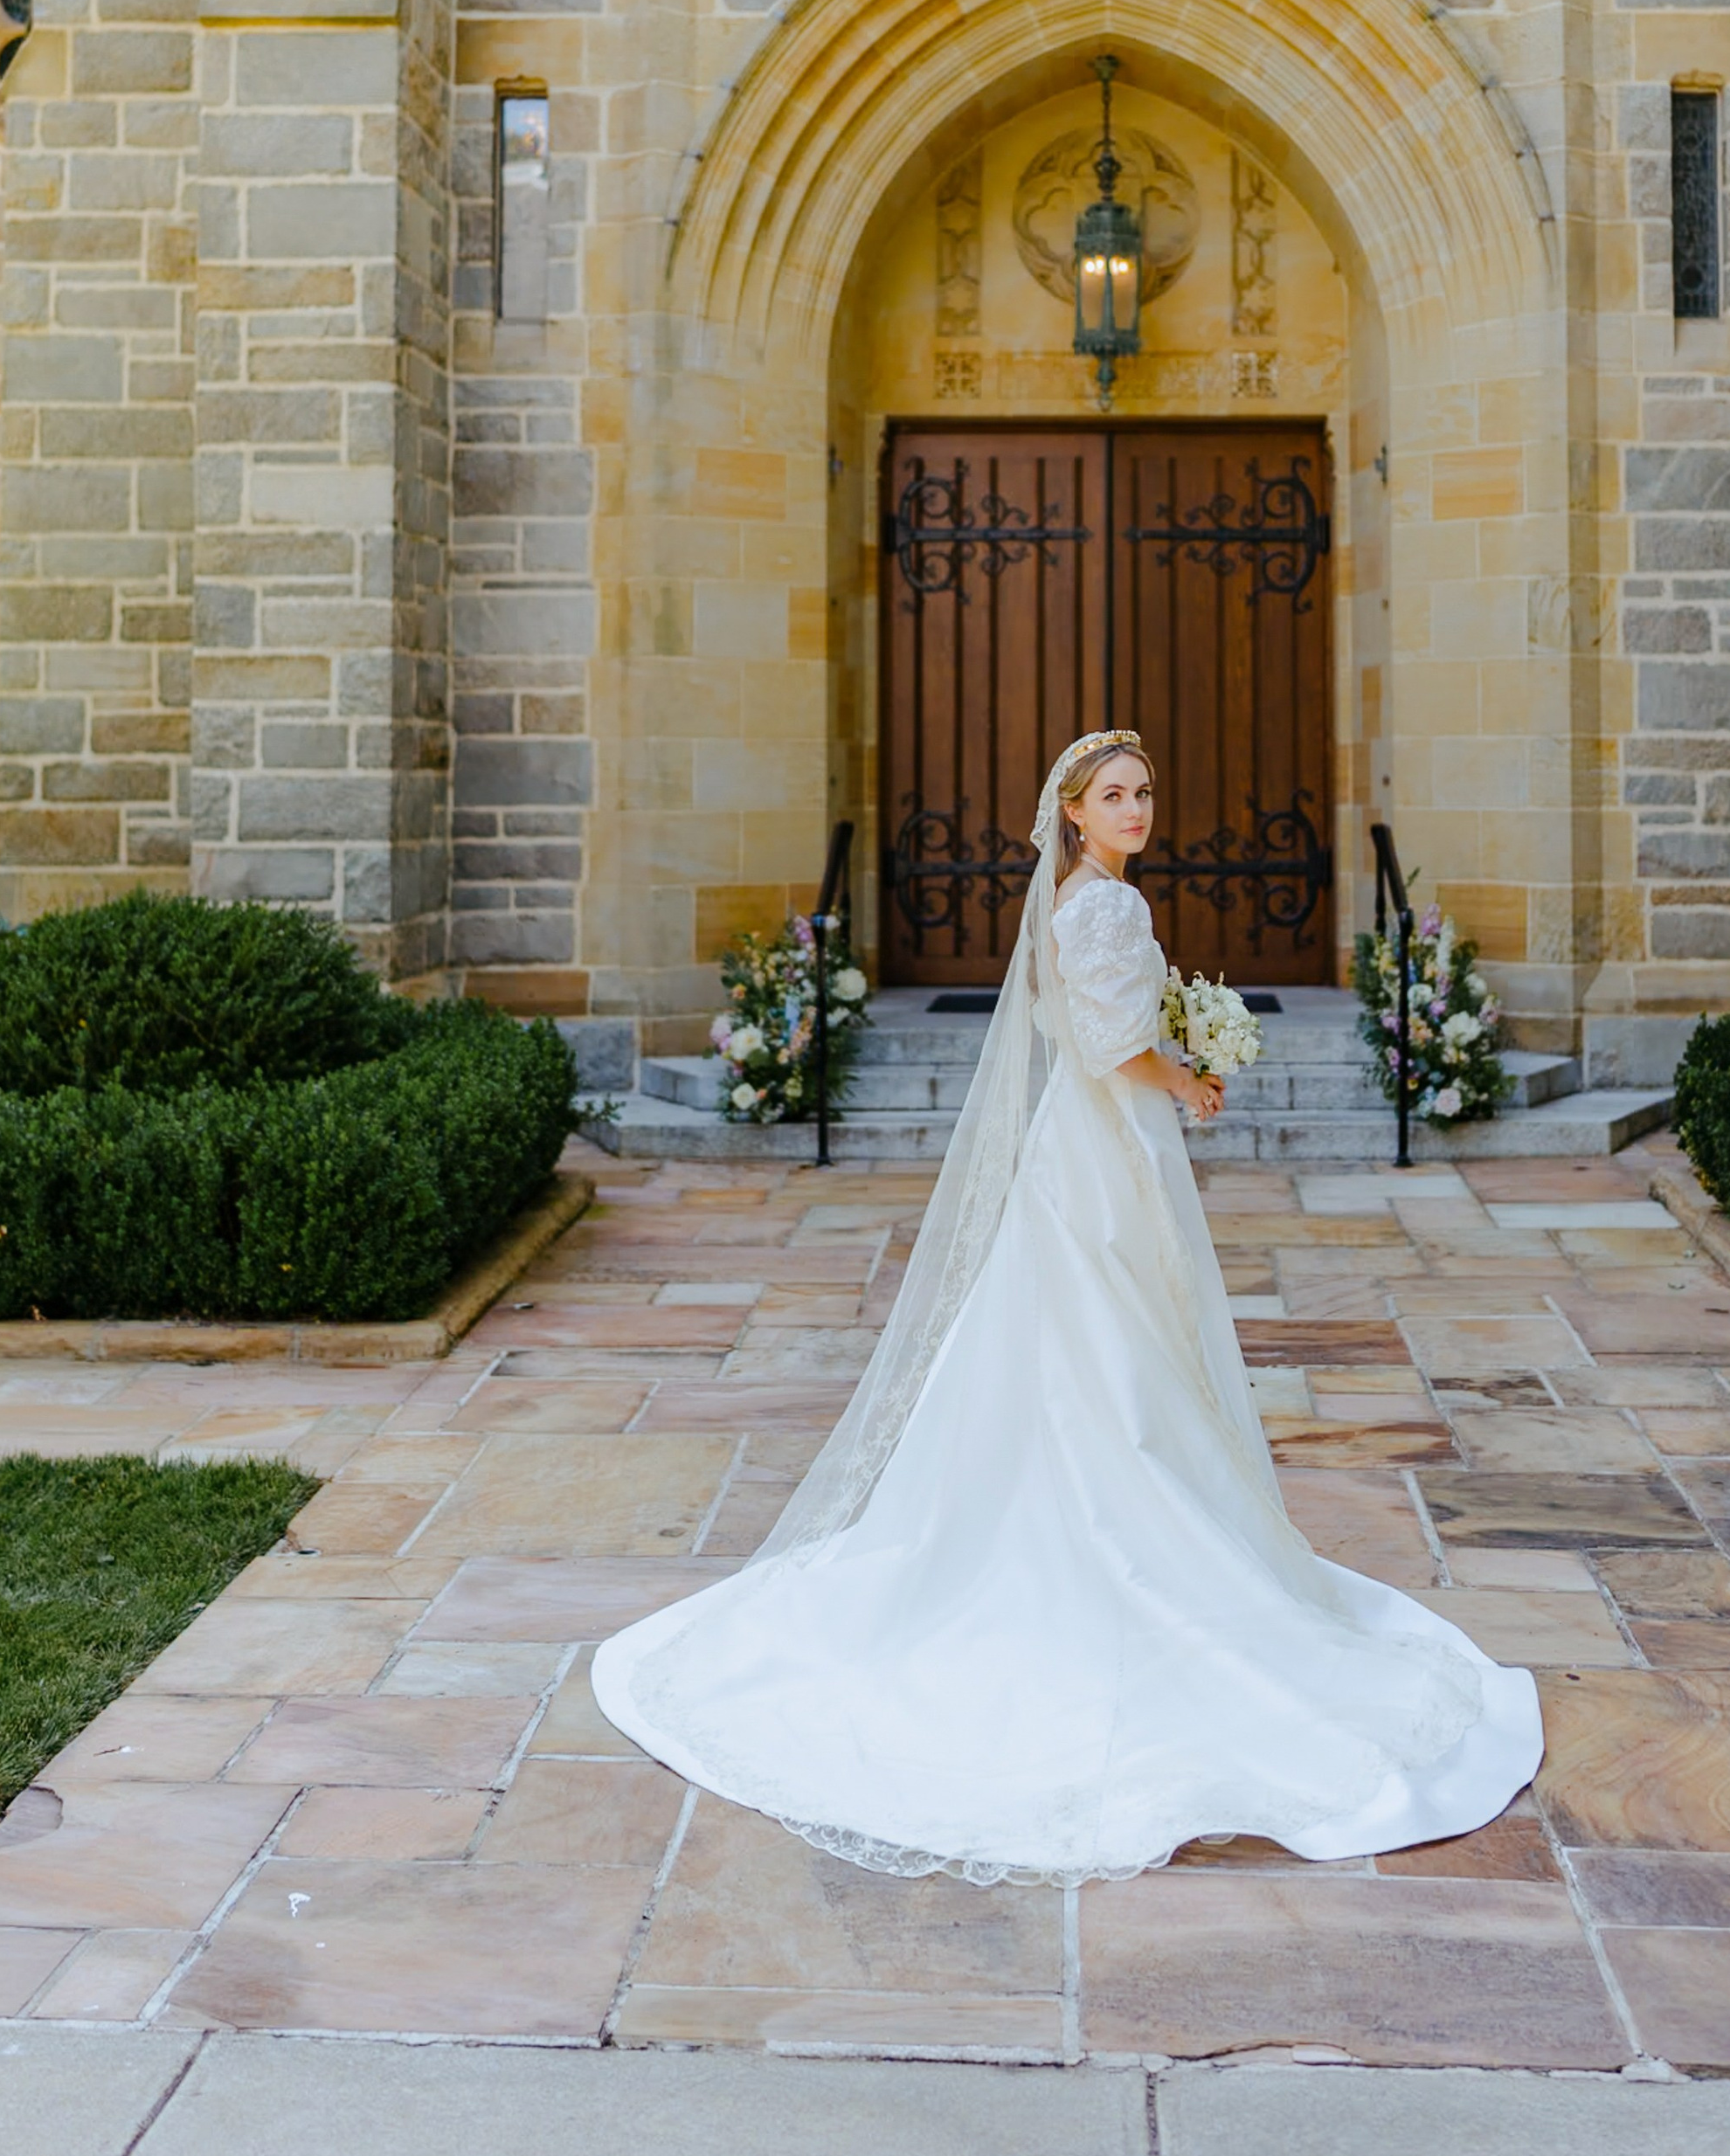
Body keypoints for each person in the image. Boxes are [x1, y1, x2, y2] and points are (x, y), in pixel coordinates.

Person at [592, 728, 1543, 1882]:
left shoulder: (1087, 902)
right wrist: (1185, 1073)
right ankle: (1126, 1543)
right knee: (1117, 1344)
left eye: (1147, 790)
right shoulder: (1104, 910)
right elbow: (1108, 1045)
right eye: (1114, 795)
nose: (1137, 807)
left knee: (1089, 1338)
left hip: (1088, 1148)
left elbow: (1091, 1029)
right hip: (1107, 1146)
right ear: (1074, 814)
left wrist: (1174, 1051)